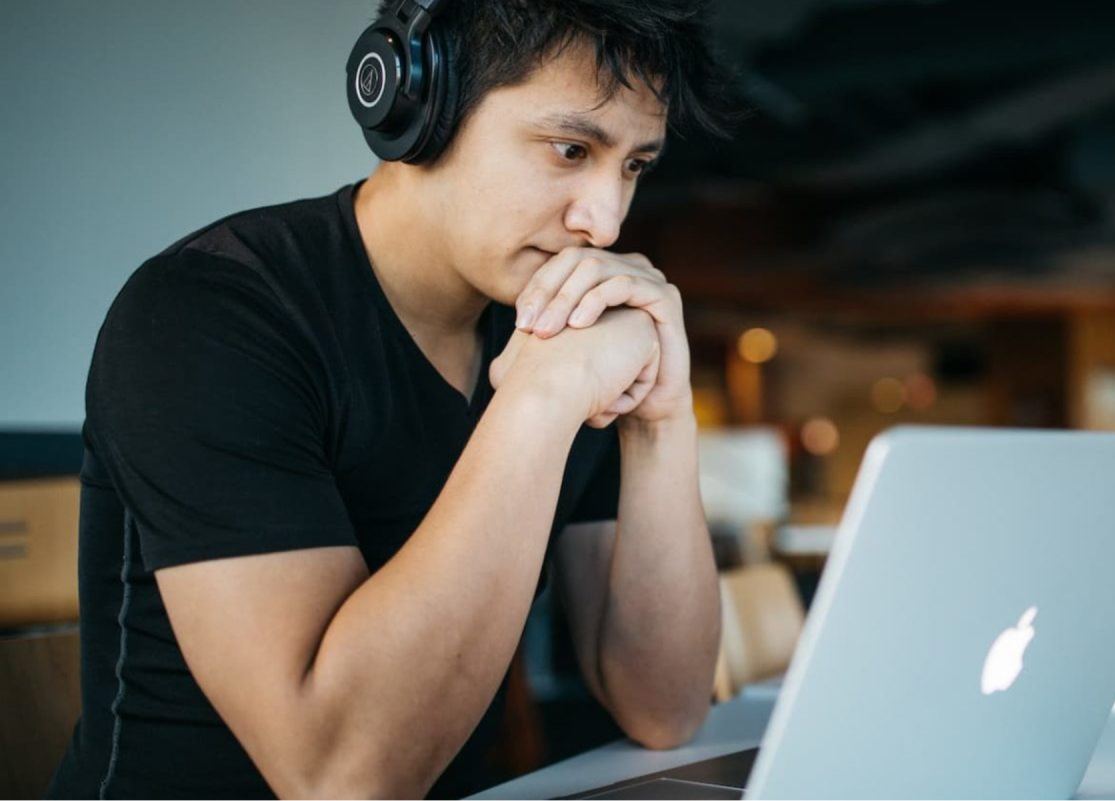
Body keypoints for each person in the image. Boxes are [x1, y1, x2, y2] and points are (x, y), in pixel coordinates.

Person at [48, 1, 738, 798]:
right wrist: (541, 399)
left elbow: (666, 705)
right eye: (570, 148)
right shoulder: (207, 314)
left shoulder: (558, 327)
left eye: (633, 166)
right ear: (420, 106)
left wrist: (661, 416)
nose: (606, 220)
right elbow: (340, 776)